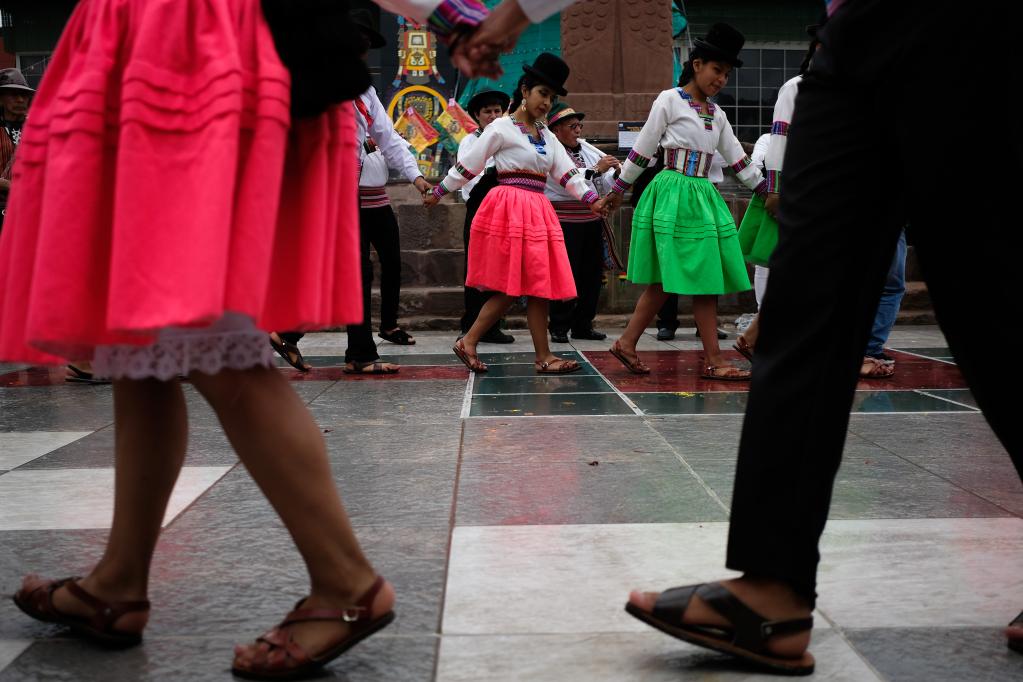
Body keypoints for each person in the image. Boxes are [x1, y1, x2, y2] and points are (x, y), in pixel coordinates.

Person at [0, 0, 504, 679]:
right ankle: (119, 581)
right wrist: (452, 15)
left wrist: (452, 14)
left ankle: (344, 582)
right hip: (166, 43)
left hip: (190, 50)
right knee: (147, 345)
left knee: (201, 329)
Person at [625, 1, 1023, 674]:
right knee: (805, 295)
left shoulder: (716, 118)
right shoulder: (676, 101)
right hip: (851, 37)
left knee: (990, 298)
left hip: (970, 27)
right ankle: (772, 586)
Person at [424, 53, 610, 374]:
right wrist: (438, 191)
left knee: (539, 285)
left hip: (537, 210)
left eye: (551, 97)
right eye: (542, 94)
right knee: (513, 287)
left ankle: (538, 355)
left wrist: (593, 199)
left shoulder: (547, 136)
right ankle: (473, 341)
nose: (546, 102)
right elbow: (470, 164)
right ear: (525, 91)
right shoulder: (501, 128)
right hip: (509, 208)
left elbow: (568, 175)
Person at [605, 24, 765, 380]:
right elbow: (643, 150)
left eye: (725, 73)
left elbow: (739, 162)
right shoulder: (669, 100)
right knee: (685, 280)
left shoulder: (717, 115)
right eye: (716, 70)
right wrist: (616, 190)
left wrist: (767, 190)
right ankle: (713, 360)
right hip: (673, 194)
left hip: (702, 197)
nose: (721, 79)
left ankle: (628, 343)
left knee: (677, 280)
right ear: (696, 64)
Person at [344, 10, 434, 374]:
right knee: (349, 270)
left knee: (359, 269)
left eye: (365, 49)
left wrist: (415, 177)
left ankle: (359, 351)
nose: (361, 55)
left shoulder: (364, 92)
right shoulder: (313, 82)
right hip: (328, 190)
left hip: (356, 192)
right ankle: (288, 333)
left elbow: (389, 138)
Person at [543, 102, 619, 343]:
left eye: (579, 126)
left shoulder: (587, 151)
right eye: (572, 126)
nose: (578, 131)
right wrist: (597, 169)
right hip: (564, 220)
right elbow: (564, 181)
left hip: (591, 219)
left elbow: (601, 183)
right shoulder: (549, 152)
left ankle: (583, 324)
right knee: (566, 273)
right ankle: (559, 325)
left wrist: (616, 174)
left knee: (592, 274)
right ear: (556, 131)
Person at [458, 88, 515, 344]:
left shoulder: (510, 139)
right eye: (487, 112)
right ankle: (470, 324)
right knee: (476, 266)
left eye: (497, 111)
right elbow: (469, 178)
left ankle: (492, 326)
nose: (493, 116)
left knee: (500, 266)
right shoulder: (470, 142)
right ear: (477, 116)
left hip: (506, 210)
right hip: (480, 208)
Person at [0, 68, 32, 233]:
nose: (20, 100)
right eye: (13, 95)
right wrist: (8, 185)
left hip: (32, 206)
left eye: (24, 95)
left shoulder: (37, 128)